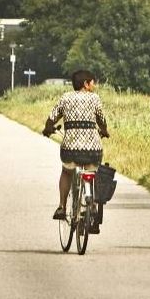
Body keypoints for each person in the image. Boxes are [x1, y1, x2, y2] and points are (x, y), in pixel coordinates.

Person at [42, 70, 110, 229]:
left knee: (67, 172)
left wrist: (48, 129)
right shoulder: (94, 98)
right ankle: (90, 202)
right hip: (92, 149)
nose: (94, 85)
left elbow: (52, 118)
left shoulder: (65, 98)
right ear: (86, 84)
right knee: (91, 172)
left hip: (70, 148)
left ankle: (62, 206)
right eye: (92, 82)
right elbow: (101, 119)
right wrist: (104, 130)